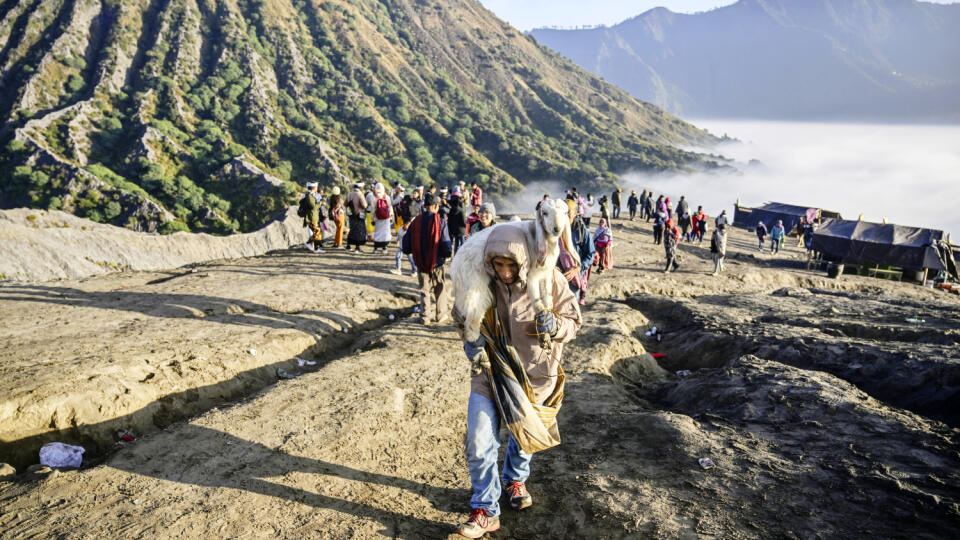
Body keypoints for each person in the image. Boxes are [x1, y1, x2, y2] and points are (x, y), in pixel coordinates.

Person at [454, 225, 582, 539]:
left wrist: (555, 325)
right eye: (498, 265)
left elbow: (574, 321)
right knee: (479, 440)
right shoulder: (479, 281)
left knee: (524, 439)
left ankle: (514, 480)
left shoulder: (548, 280)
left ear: (523, 260)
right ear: (488, 263)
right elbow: (462, 316)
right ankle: (485, 509)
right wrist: (470, 341)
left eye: (511, 265)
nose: (505, 272)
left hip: (535, 375)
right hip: (490, 372)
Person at [402, 193, 452, 325]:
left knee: (424, 290)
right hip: (437, 262)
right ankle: (440, 315)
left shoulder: (416, 221)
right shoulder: (440, 221)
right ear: (436, 206)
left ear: (424, 206)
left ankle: (425, 317)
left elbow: (406, 244)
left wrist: (411, 251)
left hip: (420, 262)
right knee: (440, 289)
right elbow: (446, 243)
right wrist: (446, 254)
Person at [559, 199, 594, 306]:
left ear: (574, 213)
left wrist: (578, 269)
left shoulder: (583, 232)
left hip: (574, 277)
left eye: (567, 212)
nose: (564, 215)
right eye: (562, 213)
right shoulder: (555, 231)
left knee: (571, 308)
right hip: (557, 277)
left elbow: (590, 254)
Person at [299, 182, 325, 253]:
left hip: (313, 216)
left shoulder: (309, 195)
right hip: (312, 217)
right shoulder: (309, 196)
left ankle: (313, 246)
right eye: (316, 187)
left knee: (316, 232)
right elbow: (313, 207)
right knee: (317, 231)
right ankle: (312, 246)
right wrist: (321, 203)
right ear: (315, 188)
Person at [346, 182, 368, 253]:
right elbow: (364, 205)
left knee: (352, 230)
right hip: (359, 215)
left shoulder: (349, 194)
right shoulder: (360, 194)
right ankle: (357, 248)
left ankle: (348, 245)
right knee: (359, 231)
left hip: (351, 215)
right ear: (360, 187)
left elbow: (345, 203)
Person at [371, 183, 393, 254]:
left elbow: (373, 210)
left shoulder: (374, 198)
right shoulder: (386, 197)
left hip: (378, 218)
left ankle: (375, 249)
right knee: (385, 233)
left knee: (377, 232)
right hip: (386, 218)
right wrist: (391, 216)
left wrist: (372, 219)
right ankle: (384, 248)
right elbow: (390, 207)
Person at [448, 186, 468, 254]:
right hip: (462, 230)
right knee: (462, 243)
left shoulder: (451, 210)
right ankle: (463, 255)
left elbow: (450, 221)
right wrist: (466, 227)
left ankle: (455, 254)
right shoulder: (461, 210)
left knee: (456, 243)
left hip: (455, 230)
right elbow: (463, 221)